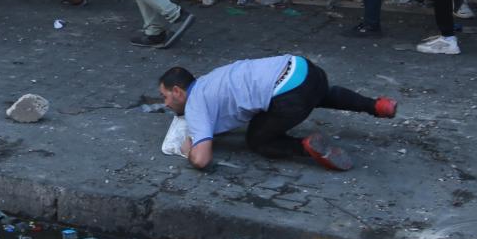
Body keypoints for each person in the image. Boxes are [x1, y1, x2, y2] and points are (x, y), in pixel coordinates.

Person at [158, 56, 398, 170]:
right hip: (305, 69)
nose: (166, 104)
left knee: (256, 139)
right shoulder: (212, 79)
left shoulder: (195, 104)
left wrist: (189, 151)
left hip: (290, 98)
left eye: (165, 96)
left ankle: (305, 146)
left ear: (178, 91)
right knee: (322, 94)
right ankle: (377, 106)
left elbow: (203, 159)